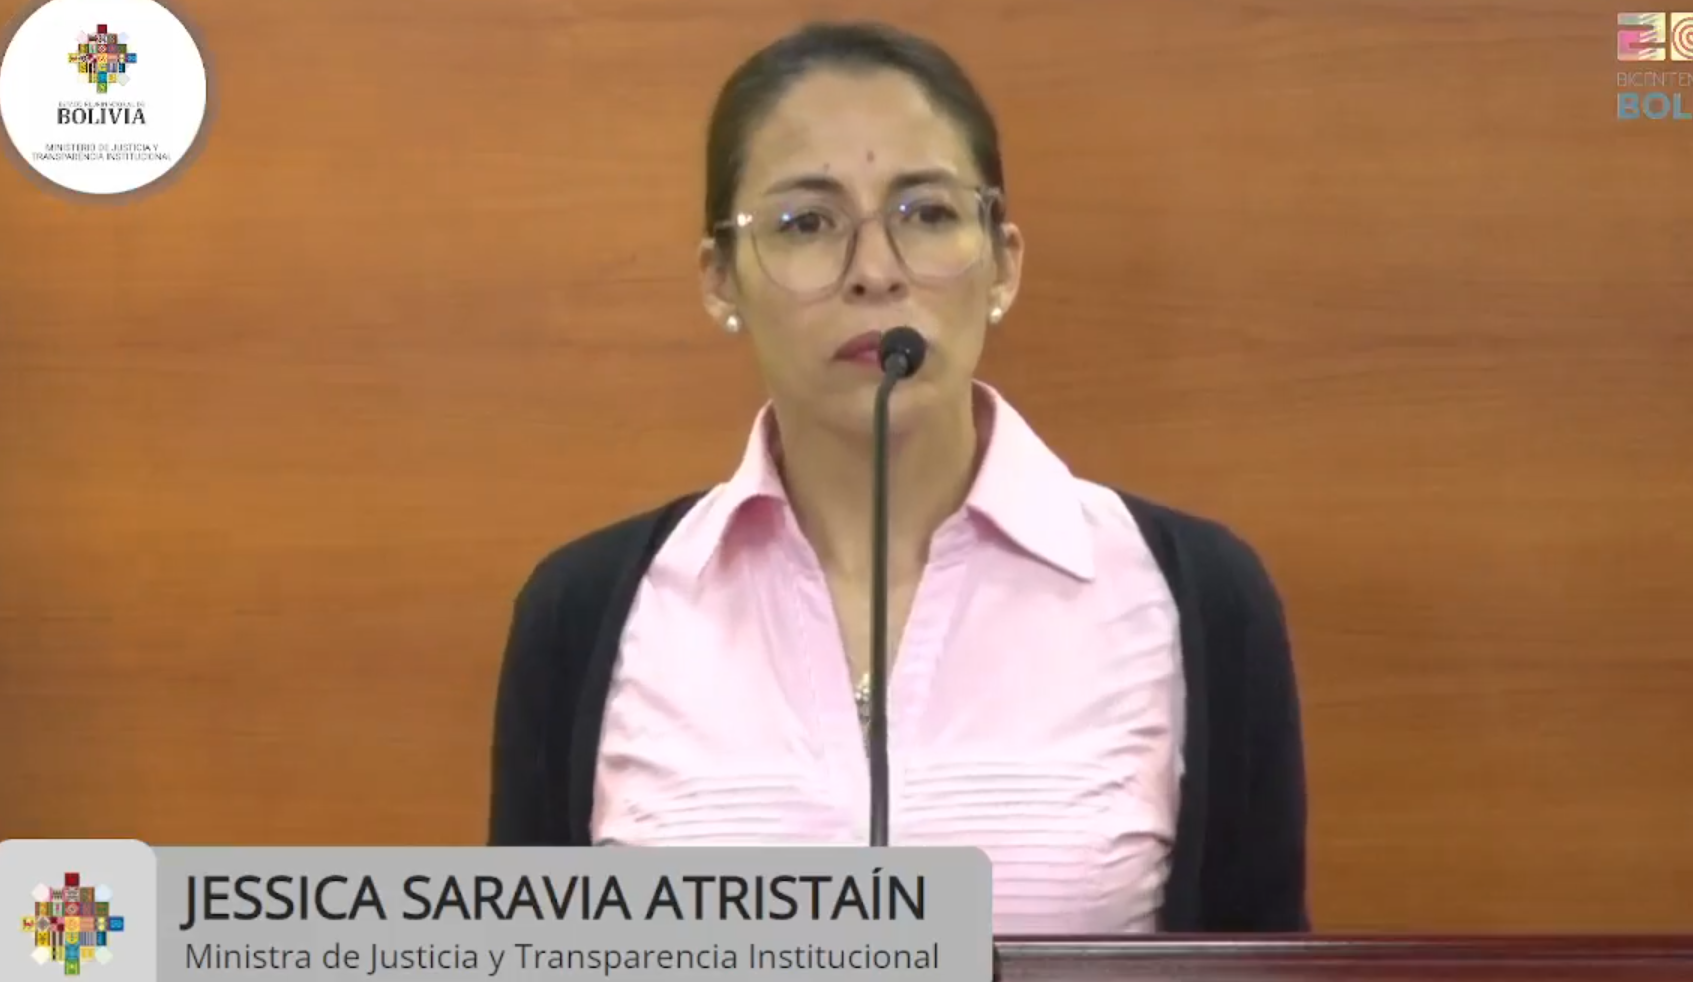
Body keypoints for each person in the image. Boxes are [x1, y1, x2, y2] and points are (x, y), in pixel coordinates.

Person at [486, 19, 1308, 935]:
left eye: (928, 214)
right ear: (720, 279)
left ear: (1002, 262)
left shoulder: (1194, 596)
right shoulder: (586, 614)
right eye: (806, 224)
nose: (875, 272)